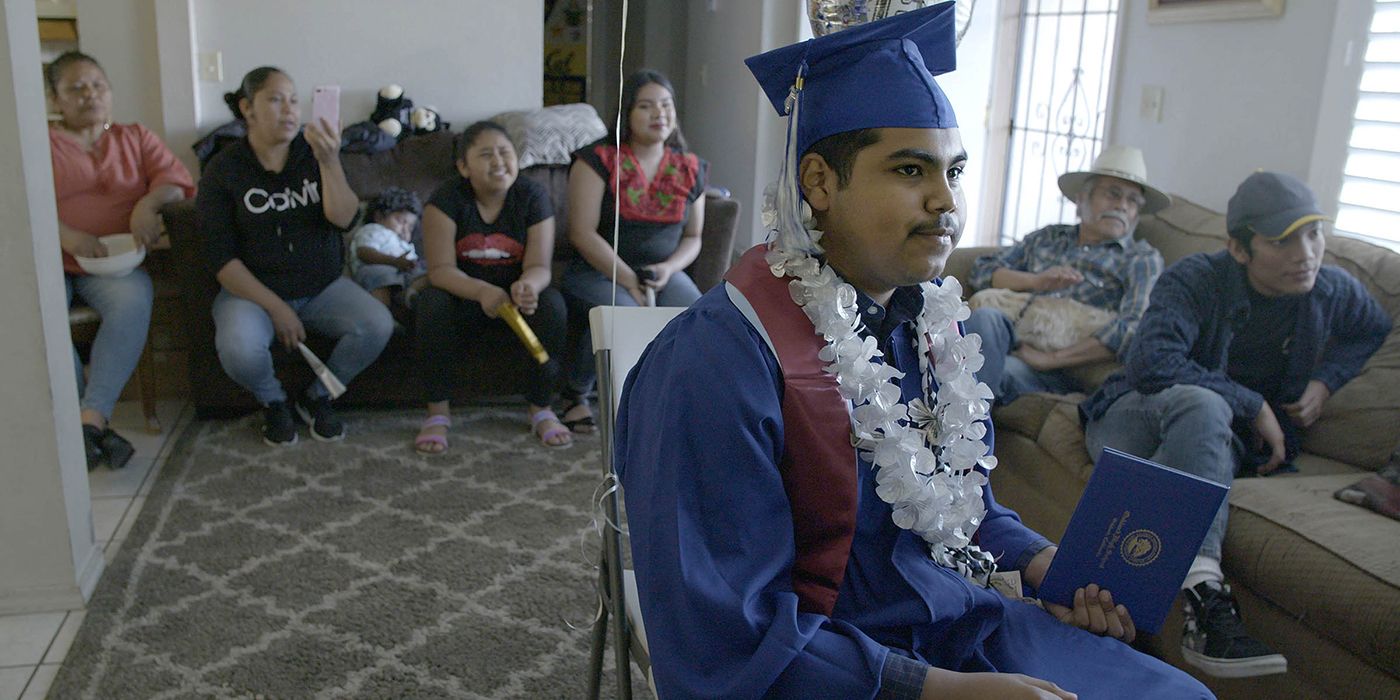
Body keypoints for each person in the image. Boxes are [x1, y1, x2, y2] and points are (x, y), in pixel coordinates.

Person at [615, 6, 1210, 699]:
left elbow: (957, 503)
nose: (946, 202)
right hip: (833, 665)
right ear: (819, 183)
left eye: (955, 171)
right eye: (909, 170)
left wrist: (1043, 563)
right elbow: (723, 633)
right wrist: (936, 692)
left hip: (967, 627)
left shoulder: (930, 324)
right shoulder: (716, 364)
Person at [1081, 171, 1391, 679]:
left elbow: (1372, 327)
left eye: (1313, 233)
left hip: (1214, 449)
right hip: (1135, 418)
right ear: (1239, 249)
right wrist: (1254, 404)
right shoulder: (1196, 278)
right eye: (1281, 241)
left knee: (1183, 469)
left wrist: (1328, 381)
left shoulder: (1330, 291)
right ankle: (1205, 594)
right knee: (1205, 406)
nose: (1305, 253)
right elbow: (1151, 362)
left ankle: (1113, 626)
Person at [198, 66, 393, 445]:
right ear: (248, 108)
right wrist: (276, 307)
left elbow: (344, 218)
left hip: (321, 286)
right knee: (238, 348)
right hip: (250, 292)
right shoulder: (223, 170)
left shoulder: (314, 153)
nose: (289, 110)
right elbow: (221, 260)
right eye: (274, 99)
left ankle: (317, 396)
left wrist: (330, 161)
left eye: (293, 100)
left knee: (377, 325)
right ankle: (274, 402)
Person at [47, 51, 195, 470]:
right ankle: (83, 425)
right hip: (50, 260)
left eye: (98, 86)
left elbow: (176, 181)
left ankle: (90, 420)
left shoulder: (134, 137)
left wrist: (148, 204)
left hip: (114, 265)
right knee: (42, 317)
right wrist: (68, 236)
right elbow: (17, 201)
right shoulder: (39, 143)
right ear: (56, 99)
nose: (90, 95)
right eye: (76, 88)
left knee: (133, 301)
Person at [558, 68, 708, 435]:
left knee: (700, 317)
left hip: (661, 272)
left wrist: (669, 269)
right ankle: (575, 395)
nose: (659, 114)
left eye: (666, 105)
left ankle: (671, 400)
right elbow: (581, 233)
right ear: (626, 113)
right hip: (597, 269)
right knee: (624, 315)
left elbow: (694, 237)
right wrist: (628, 280)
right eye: (646, 106)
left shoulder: (690, 166)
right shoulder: (596, 160)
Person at [962, 146, 1168, 405]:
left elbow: (1134, 327)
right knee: (984, 320)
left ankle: (955, 437)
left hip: (1062, 368)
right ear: (1082, 200)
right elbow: (982, 270)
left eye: (1132, 201)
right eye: (1113, 194)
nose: (1122, 206)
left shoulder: (1141, 259)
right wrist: (1035, 282)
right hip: (1012, 336)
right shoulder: (1050, 237)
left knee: (999, 372)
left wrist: (1051, 359)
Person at [413, 121, 570, 453]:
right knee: (431, 303)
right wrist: (482, 292)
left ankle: (541, 408)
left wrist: (528, 286)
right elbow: (440, 271)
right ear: (463, 167)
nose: (498, 161)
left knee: (553, 304)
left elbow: (540, 266)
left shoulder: (532, 196)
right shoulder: (445, 200)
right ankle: (437, 413)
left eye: (505, 152)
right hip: (463, 296)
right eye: (486, 155)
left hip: (515, 301)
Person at [348, 186, 426, 319]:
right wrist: (395, 262)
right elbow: (364, 252)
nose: (405, 230)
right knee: (381, 275)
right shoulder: (374, 230)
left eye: (410, 226)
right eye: (401, 221)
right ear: (379, 217)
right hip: (374, 268)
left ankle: (410, 294)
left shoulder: (405, 243)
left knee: (430, 272)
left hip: (403, 271)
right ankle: (382, 315)